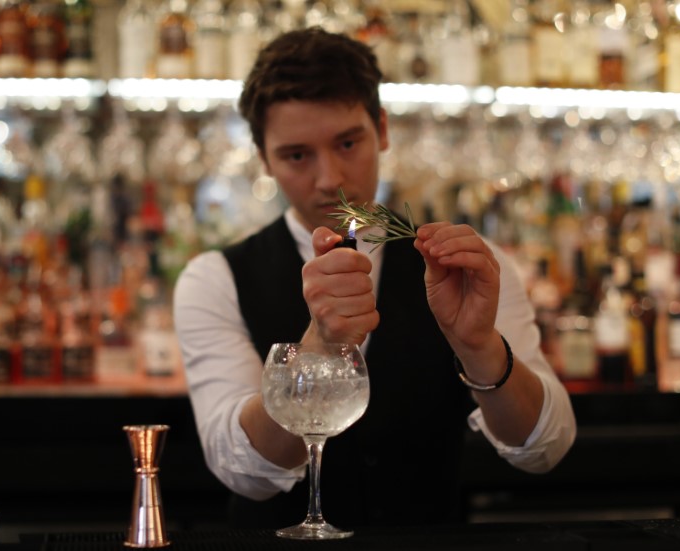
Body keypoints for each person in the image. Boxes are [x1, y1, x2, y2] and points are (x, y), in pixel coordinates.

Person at [173, 27, 576, 528]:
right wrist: (318, 345)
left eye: (348, 143)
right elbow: (244, 473)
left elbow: (545, 449)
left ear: (381, 129)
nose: (329, 178)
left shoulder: (469, 265)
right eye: (297, 155)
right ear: (263, 159)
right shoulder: (212, 280)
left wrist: (479, 346)